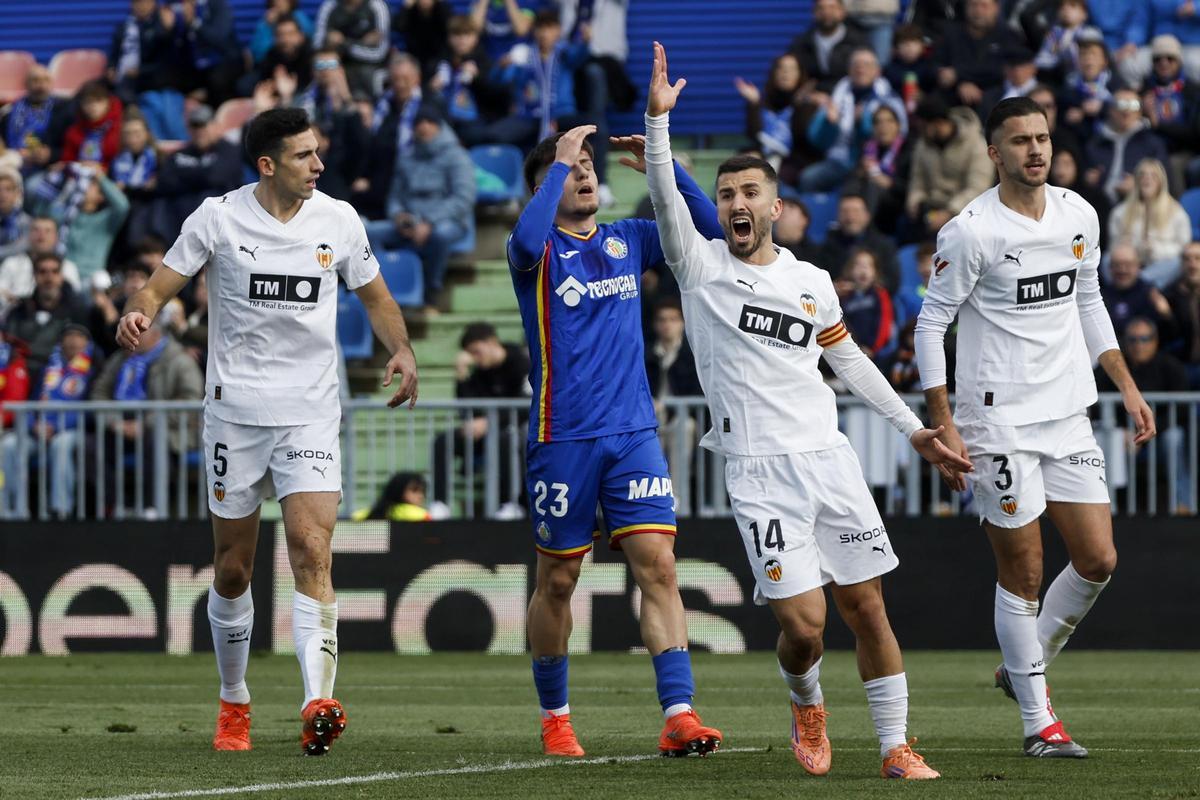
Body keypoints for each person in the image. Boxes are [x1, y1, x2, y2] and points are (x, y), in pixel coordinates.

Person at [643, 41, 967, 780]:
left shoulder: (812, 280)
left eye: (750, 193)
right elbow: (666, 198)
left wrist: (915, 428)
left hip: (829, 459)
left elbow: (848, 361)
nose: (736, 205)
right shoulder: (699, 269)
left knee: (868, 607)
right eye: (726, 195)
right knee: (805, 627)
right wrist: (659, 127)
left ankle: (894, 746)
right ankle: (806, 699)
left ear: (776, 206)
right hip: (757, 471)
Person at [113, 107, 419, 755]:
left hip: (310, 411)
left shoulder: (338, 218)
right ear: (268, 164)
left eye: (319, 153)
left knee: (312, 550)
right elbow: (159, 286)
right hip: (234, 415)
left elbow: (375, 296)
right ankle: (234, 700)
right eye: (305, 155)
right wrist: (137, 313)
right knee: (233, 570)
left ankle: (317, 701)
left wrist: (402, 350)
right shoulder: (218, 217)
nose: (319, 165)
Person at [914, 96, 1156, 758]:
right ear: (995, 153)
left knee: (1099, 559)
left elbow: (1088, 298)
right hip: (995, 422)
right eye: (1020, 141)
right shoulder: (971, 231)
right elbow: (932, 323)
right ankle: (1039, 720)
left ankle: (1022, 667)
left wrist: (1128, 386)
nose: (1036, 150)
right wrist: (944, 422)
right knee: (1023, 570)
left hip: (1068, 413)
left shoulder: (1079, 213)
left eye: (1042, 137)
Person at [507, 121, 726, 758]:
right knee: (557, 582)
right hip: (562, 438)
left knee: (658, 567)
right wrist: (556, 164)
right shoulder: (537, 250)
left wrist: (669, 167)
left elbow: (711, 232)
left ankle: (680, 714)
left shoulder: (630, 239)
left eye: (587, 166)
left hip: (633, 435)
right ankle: (556, 720)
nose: (585, 173)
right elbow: (523, 235)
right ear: (544, 186)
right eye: (570, 168)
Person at [365, 104, 475, 312]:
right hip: (410, 221)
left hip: (447, 221)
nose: (424, 127)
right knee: (368, 232)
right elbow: (395, 196)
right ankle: (378, 293)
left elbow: (463, 199)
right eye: (419, 123)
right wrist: (398, 216)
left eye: (429, 122)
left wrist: (430, 222)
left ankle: (430, 296)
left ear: (439, 126)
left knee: (440, 236)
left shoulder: (457, 156)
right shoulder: (407, 157)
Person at [0, 324, 101, 519]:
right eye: (68, 336)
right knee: (9, 445)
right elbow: (32, 402)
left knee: (60, 445)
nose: (73, 340)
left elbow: (91, 409)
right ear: (61, 341)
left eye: (79, 336)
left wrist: (58, 427)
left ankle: (60, 509)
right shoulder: (49, 368)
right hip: (39, 430)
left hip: (73, 430)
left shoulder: (93, 368)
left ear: (87, 343)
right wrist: (33, 425)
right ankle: (11, 509)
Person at [429, 322, 529, 518]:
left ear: (492, 342)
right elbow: (466, 410)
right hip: (486, 433)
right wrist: (461, 376)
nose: (474, 358)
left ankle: (511, 503)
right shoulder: (479, 372)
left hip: (519, 432)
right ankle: (440, 503)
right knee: (443, 442)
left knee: (504, 440)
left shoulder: (521, 362)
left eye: (476, 351)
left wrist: (490, 422)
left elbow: (528, 405)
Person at [1095, 316, 1191, 511]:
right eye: (1133, 340)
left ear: (1155, 340)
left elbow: (1181, 409)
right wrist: (1120, 432)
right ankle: (1107, 507)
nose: (1139, 345)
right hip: (1123, 435)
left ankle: (1183, 504)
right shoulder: (1113, 369)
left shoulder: (1170, 366)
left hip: (1162, 432)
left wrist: (1148, 431)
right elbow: (1096, 404)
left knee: (1175, 438)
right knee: (1105, 438)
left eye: (1145, 339)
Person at [802, 48, 906, 192]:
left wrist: (862, 124)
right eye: (856, 65)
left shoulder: (891, 100)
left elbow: (900, 134)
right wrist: (830, 123)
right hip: (838, 161)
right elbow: (815, 139)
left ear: (877, 71)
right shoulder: (836, 96)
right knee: (808, 178)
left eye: (867, 65)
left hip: (878, 162)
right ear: (849, 70)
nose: (861, 69)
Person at [27, 163, 130, 286]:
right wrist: (51, 176)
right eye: (81, 181)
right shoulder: (64, 216)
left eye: (90, 183)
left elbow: (123, 206)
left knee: (101, 280)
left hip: (91, 280)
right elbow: (40, 210)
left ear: (101, 196)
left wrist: (100, 177)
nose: (83, 185)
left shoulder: (105, 221)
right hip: (63, 277)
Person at [904, 97, 992, 239]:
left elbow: (977, 188)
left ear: (938, 123)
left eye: (924, 126)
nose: (920, 131)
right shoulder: (923, 144)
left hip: (964, 212)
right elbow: (917, 179)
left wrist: (950, 212)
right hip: (931, 207)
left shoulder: (976, 144)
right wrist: (915, 201)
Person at [151, 105, 242, 242]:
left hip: (218, 223)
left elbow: (217, 177)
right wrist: (202, 174)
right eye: (194, 126)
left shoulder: (230, 150)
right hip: (179, 221)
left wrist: (184, 176)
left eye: (203, 125)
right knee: (159, 203)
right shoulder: (181, 154)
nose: (199, 131)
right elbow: (164, 182)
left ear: (215, 126)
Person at [3, 253, 89, 382]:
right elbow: (8, 346)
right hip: (22, 378)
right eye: (42, 272)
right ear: (34, 276)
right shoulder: (19, 311)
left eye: (54, 271)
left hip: (64, 379)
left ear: (61, 276)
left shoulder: (77, 311)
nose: (49, 278)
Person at [1107, 158, 1192, 287]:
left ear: (1161, 182)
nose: (1147, 179)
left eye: (1153, 176)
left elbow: (1183, 248)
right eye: (1143, 175)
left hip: (1160, 265)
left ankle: (1139, 285)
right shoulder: (1120, 212)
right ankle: (1136, 285)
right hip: (1127, 265)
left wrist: (1157, 249)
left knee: (1177, 263)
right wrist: (1130, 249)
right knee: (1106, 259)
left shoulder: (1176, 212)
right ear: (1136, 180)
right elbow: (1114, 246)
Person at [1084, 87, 1168, 206]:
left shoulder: (1152, 144)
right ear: (1110, 110)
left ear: (1140, 111)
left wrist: (1139, 185)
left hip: (1139, 205)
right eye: (1120, 105)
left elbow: (1165, 180)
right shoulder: (1095, 143)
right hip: (1099, 206)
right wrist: (1087, 179)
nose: (1126, 112)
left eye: (1133, 105)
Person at [932, 0, 1020, 109]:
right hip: (954, 92)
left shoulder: (1009, 36)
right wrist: (952, 80)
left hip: (995, 93)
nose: (978, 11)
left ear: (996, 8)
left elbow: (1002, 69)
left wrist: (958, 74)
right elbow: (935, 64)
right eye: (973, 5)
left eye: (984, 6)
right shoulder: (951, 34)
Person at [817, 194, 901, 293]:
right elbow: (818, 282)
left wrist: (863, 287)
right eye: (845, 211)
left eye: (856, 211)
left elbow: (892, 282)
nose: (850, 217)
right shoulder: (826, 248)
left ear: (867, 216)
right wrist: (833, 289)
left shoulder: (884, 246)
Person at [0, 216, 83, 313]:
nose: (41, 235)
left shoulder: (68, 267)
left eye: (47, 231)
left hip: (56, 319)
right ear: (28, 235)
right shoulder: (11, 263)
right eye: (36, 230)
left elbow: (73, 299)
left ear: (56, 237)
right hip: (15, 317)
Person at [1, 65, 71, 174]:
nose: (41, 85)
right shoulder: (9, 112)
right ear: (26, 84)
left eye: (46, 80)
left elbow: (72, 146)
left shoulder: (64, 111)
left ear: (52, 84)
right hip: (13, 165)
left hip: (48, 168)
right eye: (35, 80)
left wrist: (51, 154)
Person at [788, 0, 871, 93]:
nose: (827, 12)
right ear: (814, 13)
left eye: (832, 7)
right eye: (821, 8)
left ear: (842, 12)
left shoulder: (858, 42)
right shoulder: (802, 43)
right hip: (813, 98)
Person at [313, 0, 390, 96]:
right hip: (338, 62)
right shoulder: (329, 5)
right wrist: (328, 42)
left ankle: (364, 105)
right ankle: (330, 105)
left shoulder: (376, 6)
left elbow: (380, 53)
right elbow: (317, 45)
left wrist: (345, 44)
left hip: (369, 66)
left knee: (369, 74)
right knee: (326, 63)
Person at [1101, 243, 1175, 340]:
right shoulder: (1101, 296)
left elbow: (1170, 335)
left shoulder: (1151, 294)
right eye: (1117, 265)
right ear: (1110, 268)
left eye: (1128, 265)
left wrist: (1166, 315)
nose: (1122, 270)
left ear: (1138, 266)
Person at [108, 0, 176, 102]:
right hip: (121, 76)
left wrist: (168, 30)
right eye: (138, 3)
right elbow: (114, 54)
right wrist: (111, 68)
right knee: (90, 91)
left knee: (124, 95)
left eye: (146, 2)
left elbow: (164, 60)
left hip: (146, 78)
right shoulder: (124, 27)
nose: (142, 6)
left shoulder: (159, 27)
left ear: (153, 4)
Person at [836, 249, 897, 360]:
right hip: (852, 352)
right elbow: (842, 325)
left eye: (868, 266)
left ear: (875, 272)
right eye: (858, 265)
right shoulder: (844, 297)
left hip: (877, 353)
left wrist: (873, 349)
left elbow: (884, 323)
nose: (863, 270)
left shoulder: (880, 294)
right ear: (849, 271)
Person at [61, 81, 124, 171]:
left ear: (108, 103)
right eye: (88, 102)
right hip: (79, 175)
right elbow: (68, 160)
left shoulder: (119, 127)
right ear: (81, 105)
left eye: (98, 101)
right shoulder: (74, 131)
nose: (93, 106)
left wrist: (103, 169)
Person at [1164, 241, 1200, 387]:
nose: (1192, 264)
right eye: (1187, 259)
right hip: (1181, 367)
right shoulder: (1169, 295)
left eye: (1198, 259)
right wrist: (1167, 316)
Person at [250, 0, 315, 64]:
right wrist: (268, 26)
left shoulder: (301, 19)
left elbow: (310, 47)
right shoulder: (265, 22)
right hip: (272, 64)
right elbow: (259, 56)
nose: (279, 2)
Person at [351, 471, 432, 521]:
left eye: (422, 491)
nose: (421, 495)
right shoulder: (422, 516)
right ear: (398, 490)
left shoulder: (360, 516)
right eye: (414, 490)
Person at [0, 168, 30, 263]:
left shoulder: (27, 221)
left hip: (17, 269)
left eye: (8, 190)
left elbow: (23, 246)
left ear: (17, 194)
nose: (2, 194)